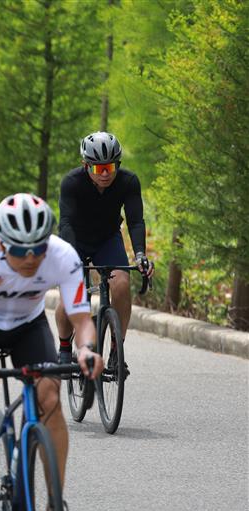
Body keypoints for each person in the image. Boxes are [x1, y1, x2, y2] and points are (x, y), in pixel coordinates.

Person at [0, 193, 104, 511]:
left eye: (37, 249)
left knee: (50, 398)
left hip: (28, 325)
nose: (31, 258)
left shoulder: (62, 256)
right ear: (1, 243)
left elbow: (82, 318)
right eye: (20, 251)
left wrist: (85, 350)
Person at [56, 132, 155, 370]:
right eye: (98, 168)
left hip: (107, 240)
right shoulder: (71, 182)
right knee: (70, 295)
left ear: (117, 164)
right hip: (76, 241)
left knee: (121, 284)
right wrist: (70, 258)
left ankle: (115, 350)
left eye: (110, 167)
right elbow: (66, 223)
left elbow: (135, 222)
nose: (105, 174)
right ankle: (64, 348)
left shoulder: (128, 182)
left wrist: (140, 254)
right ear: (85, 164)